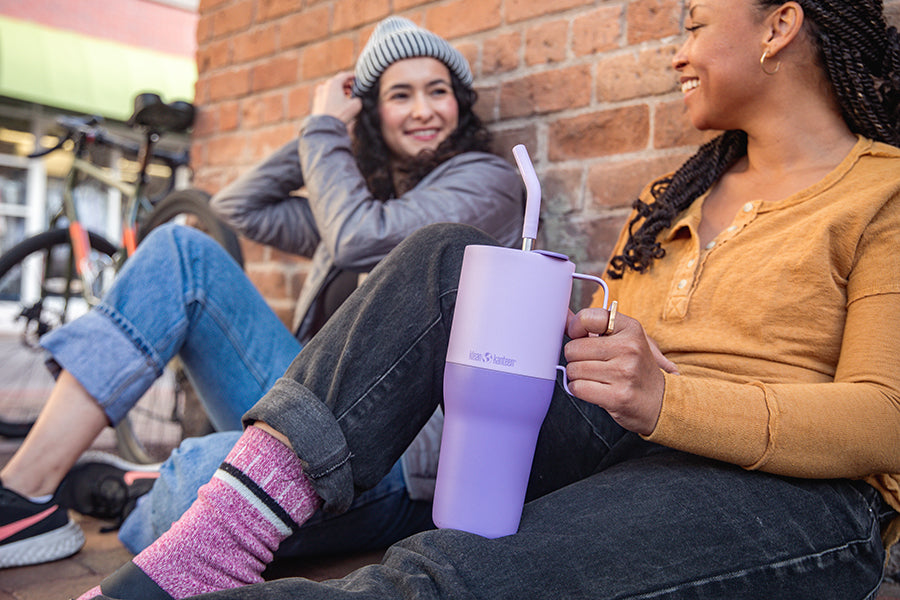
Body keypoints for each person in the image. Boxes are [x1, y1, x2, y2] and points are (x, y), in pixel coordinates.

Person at [76, 0, 900, 597]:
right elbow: (616, 354)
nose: (677, 53)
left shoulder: (882, 193)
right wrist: (580, 342)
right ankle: (210, 550)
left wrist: (670, 398)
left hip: (781, 492)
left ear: (779, 24)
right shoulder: (680, 196)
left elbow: (884, 419)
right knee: (444, 258)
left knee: (444, 577)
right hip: (613, 445)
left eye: (691, 24)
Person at [0, 16, 525, 569]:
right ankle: (23, 496)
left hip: (400, 461)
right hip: (311, 419)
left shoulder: (485, 184)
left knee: (197, 478)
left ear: (460, 105)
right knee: (183, 251)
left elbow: (355, 239)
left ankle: (151, 486)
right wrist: (320, 125)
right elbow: (236, 208)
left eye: (437, 91)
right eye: (400, 95)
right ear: (372, 115)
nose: (423, 109)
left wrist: (326, 134)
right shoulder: (355, 200)